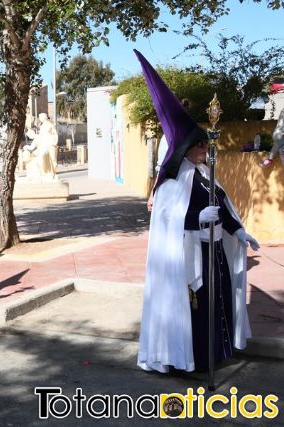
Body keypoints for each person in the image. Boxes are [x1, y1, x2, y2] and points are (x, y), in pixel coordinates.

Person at [134, 50, 259, 374]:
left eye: (207, 145)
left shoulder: (205, 175)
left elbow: (222, 206)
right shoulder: (173, 181)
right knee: (197, 309)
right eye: (201, 146)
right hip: (192, 256)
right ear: (185, 149)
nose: (206, 150)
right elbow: (164, 219)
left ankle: (215, 355)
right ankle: (191, 360)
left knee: (218, 305)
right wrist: (193, 220)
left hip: (215, 252)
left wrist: (239, 231)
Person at [22, 113, 58, 180]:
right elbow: (38, 138)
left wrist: (53, 144)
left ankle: (47, 174)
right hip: (43, 146)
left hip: (48, 146)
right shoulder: (42, 126)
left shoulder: (49, 125)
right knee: (37, 158)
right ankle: (42, 174)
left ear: (44, 118)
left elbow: (54, 136)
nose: (39, 119)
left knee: (44, 157)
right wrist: (30, 146)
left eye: (40, 117)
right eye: (39, 117)